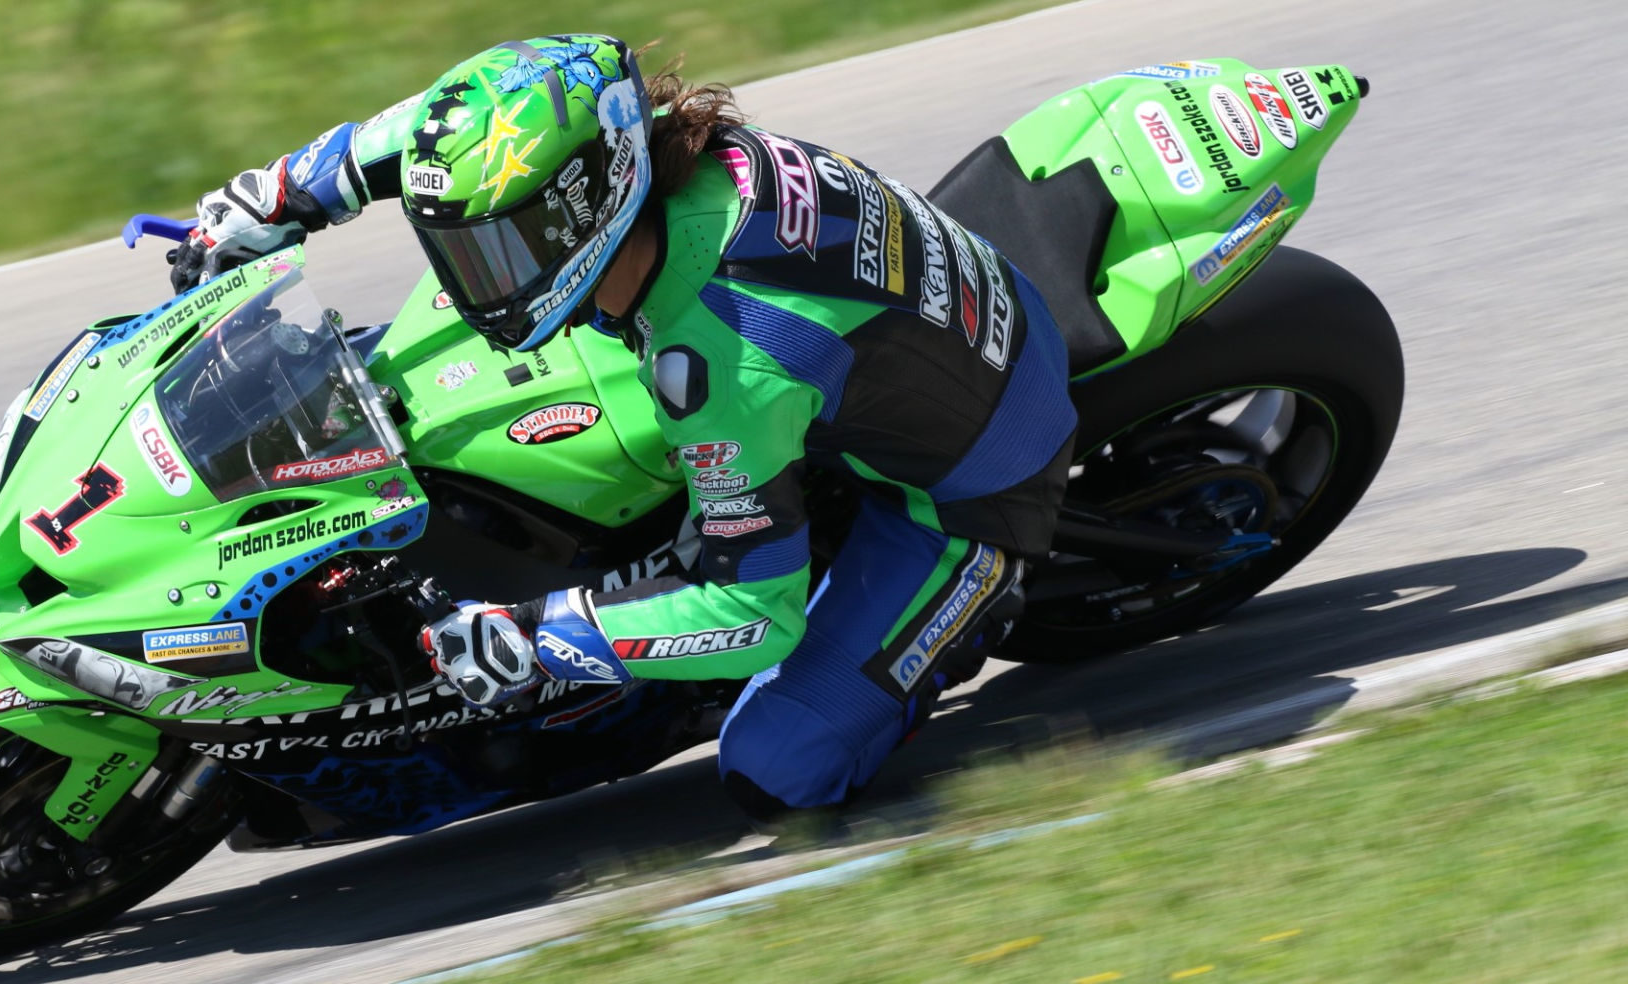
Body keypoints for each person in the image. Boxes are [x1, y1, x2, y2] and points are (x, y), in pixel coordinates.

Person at [168, 35, 1076, 821]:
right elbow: (421, 134)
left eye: (498, 251)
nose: (468, 279)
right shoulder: (582, 122)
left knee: (778, 772)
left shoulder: (722, 358)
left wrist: (537, 636)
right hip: (885, 336)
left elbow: (752, 613)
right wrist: (271, 199)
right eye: (457, 250)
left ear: (587, 206)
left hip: (965, 488)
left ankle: (939, 614)